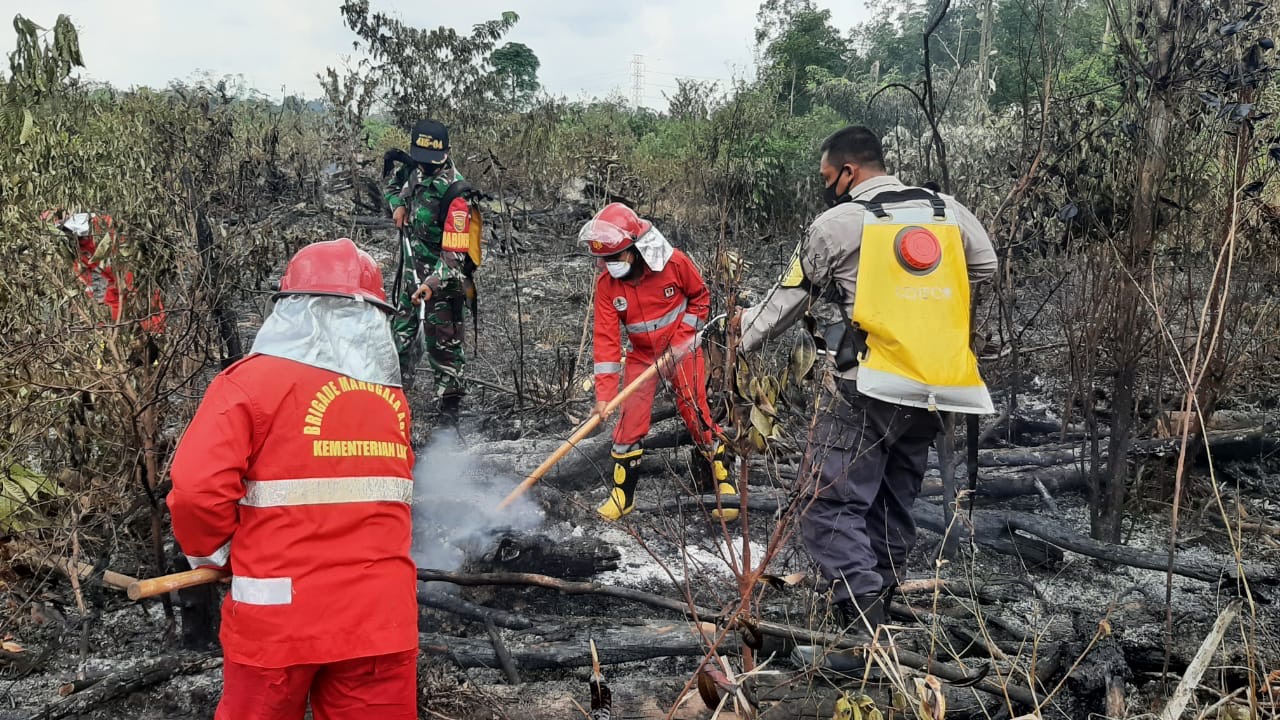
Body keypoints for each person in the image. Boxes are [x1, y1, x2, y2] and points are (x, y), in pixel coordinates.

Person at [738, 126, 997, 645]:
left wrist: (739, 338)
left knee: (827, 505)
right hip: (937, 386)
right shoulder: (947, 209)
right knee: (892, 501)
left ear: (849, 173)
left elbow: (790, 297)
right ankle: (879, 598)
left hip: (869, 386)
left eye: (827, 176)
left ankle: (859, 621)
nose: (827, 185)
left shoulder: (839, 223)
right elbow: (985, 267)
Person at [168, 238, 418, 720]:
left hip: (277, 619)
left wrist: (213, 556)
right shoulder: (391, 401)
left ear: (291, 308)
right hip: (380, 617)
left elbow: (197, 491)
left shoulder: (247, 384)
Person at [582, 203, 739, 522]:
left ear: (634, 249)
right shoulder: (606, 286)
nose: (607, 264)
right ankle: (622, 496)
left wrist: (682, 340)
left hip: (682, 349)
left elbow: (701, 299)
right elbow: (607, 342)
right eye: (604, 259)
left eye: (614, 257)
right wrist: (604, 397)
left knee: (695, 411)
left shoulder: (674, 263)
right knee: (629, 422)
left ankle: (725, 484)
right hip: (642, 356)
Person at [386, 118, 470, 421]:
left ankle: (450, 420)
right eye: (422, 161)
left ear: (446, 154)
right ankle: (393, 408)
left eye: (432, 163)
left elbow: (455, 256)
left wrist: (432, 284)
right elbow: (391, 185)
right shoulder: (412, 169)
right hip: (411, 276)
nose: (426, 168)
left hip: (443, 283)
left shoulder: (457, 195)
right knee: (400, 342)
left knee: (444, 350)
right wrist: (398, 204)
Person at [45, 209, 166, 335]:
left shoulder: (96, 228)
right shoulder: (80, 256)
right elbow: (106, 293)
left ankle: (157, 334)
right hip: (141, 286)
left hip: (146, 282)